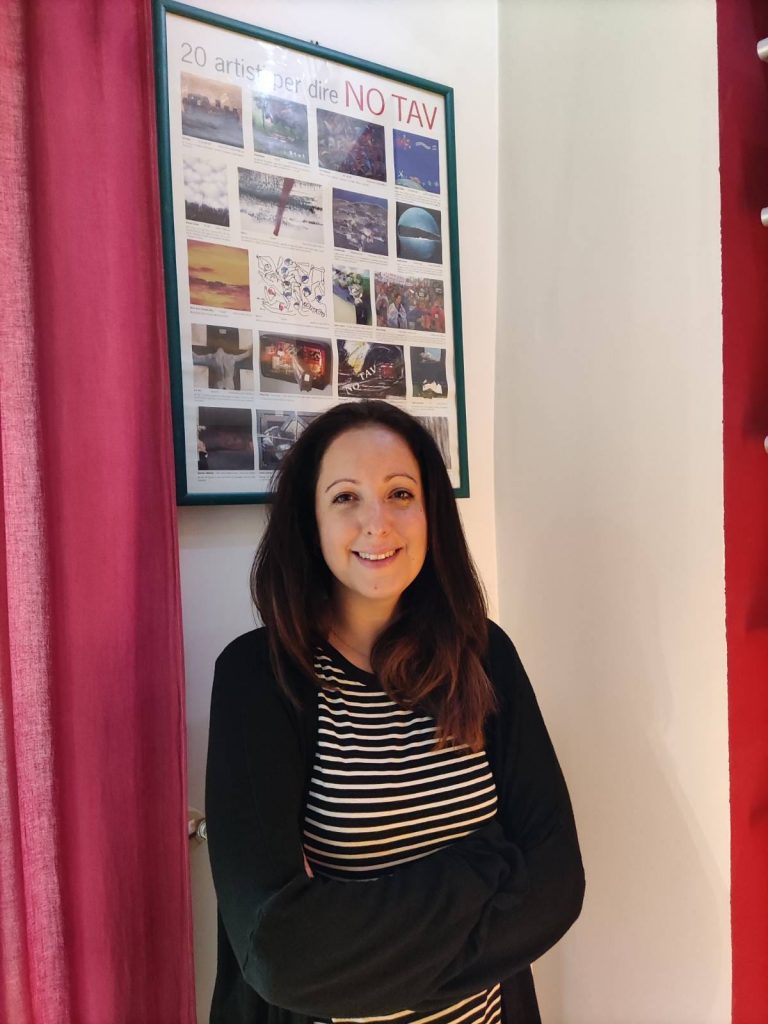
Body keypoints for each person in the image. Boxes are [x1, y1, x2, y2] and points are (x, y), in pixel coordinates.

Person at [206, 400, 584, 1024]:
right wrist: (489, 867)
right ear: (311, 521)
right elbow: (277, 951)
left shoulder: (483, 654)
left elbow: (557, 884)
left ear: (430, 513)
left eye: (400, 493)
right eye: (346, 498)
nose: (376, 523)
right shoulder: (258, 678)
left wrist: (358, 944)